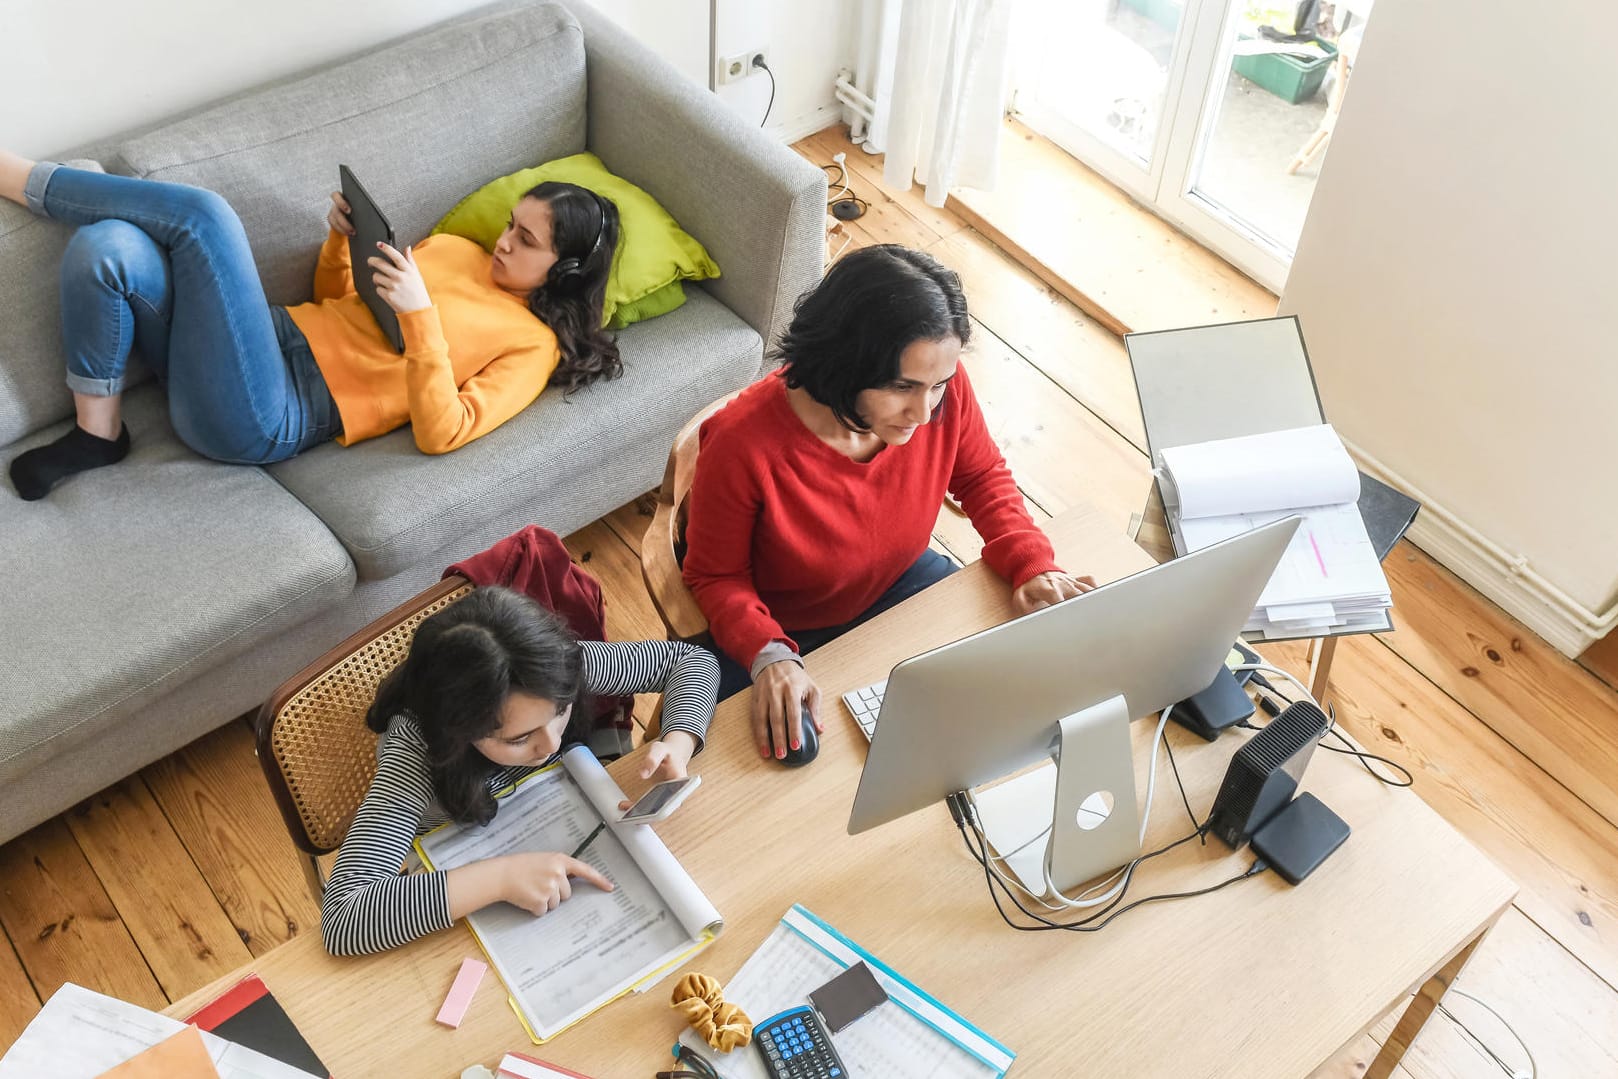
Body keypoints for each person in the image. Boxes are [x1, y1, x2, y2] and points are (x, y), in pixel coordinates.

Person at [0, 149, 621, 500]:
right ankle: (99, 433)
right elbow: (341, 302)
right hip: (254, 344)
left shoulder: (532, 347)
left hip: (272, 410)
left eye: (526, 239)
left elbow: (444, 432)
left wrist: (421, 318)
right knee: (106, 245)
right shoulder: (458, 249)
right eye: (511, 224)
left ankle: (20, 175)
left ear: (564, 269)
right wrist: (338, 241)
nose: (505, 242)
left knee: (206, 217)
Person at [681, 244, 1094, 763]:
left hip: (899, 580)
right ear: (843, 361)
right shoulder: (742, 444)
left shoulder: (941, 393)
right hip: (784, 626)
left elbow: (983, 476)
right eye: (902, 387)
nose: (923, 413)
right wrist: (768, 654)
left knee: (999, 708)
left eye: (937, 386)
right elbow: (715, 577)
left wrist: (1032, 564)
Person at [320, 585, 719, 956]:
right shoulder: (414, 751)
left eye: (561, 711)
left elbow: (692, 660)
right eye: (518, 739)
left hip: (556, 819)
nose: (551, 745)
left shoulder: (550, 670)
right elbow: (344, 918)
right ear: (457, 732)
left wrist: (679, 740)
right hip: (462, 863)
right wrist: (500, 878)